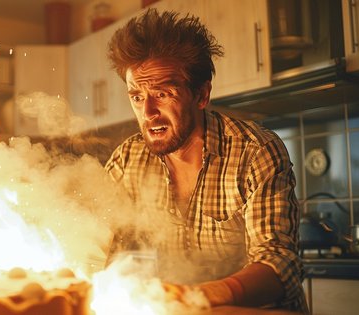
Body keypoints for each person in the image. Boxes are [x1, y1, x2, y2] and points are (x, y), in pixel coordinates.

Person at [104, 8, 308, 313]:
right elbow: (99, 244)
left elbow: (278, 263)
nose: (147, 113)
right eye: (136, 97)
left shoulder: (255, 151)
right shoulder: (127, 159)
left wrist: (198, 297)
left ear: (201, 95)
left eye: (162, 94)